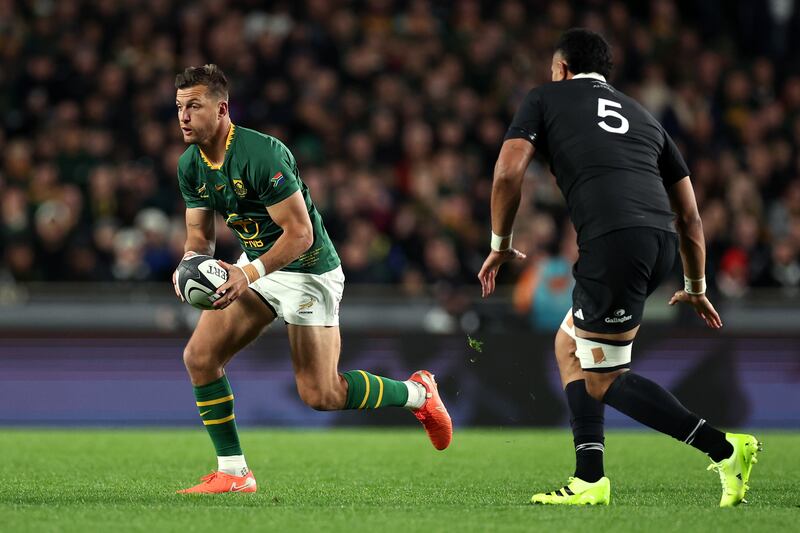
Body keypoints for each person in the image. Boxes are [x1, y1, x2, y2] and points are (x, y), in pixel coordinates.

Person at [478, 29, 760, 507]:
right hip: (660, 243)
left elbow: (507, 172)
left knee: (605, 378)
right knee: (571, 345)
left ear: (562, 68)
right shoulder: (643, 115)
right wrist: (695, 284)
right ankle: (590, 478)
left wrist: (500, 244)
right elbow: (690, 216)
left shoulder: (545, 97)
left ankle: (725, 448)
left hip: (613, 242)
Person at [171, 64, 452, 494]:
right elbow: (199, 235)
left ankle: (418, 393)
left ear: (222, 109)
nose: (184, 117)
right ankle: (234, 472)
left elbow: (300, 235)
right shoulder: (191, 164)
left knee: (322, 394)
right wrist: (189, 263)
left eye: (194, 106)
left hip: (307, 271)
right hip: (257, 266)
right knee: (200, 357)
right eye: (179, 108)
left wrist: (247, 273)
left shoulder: (262, 154)